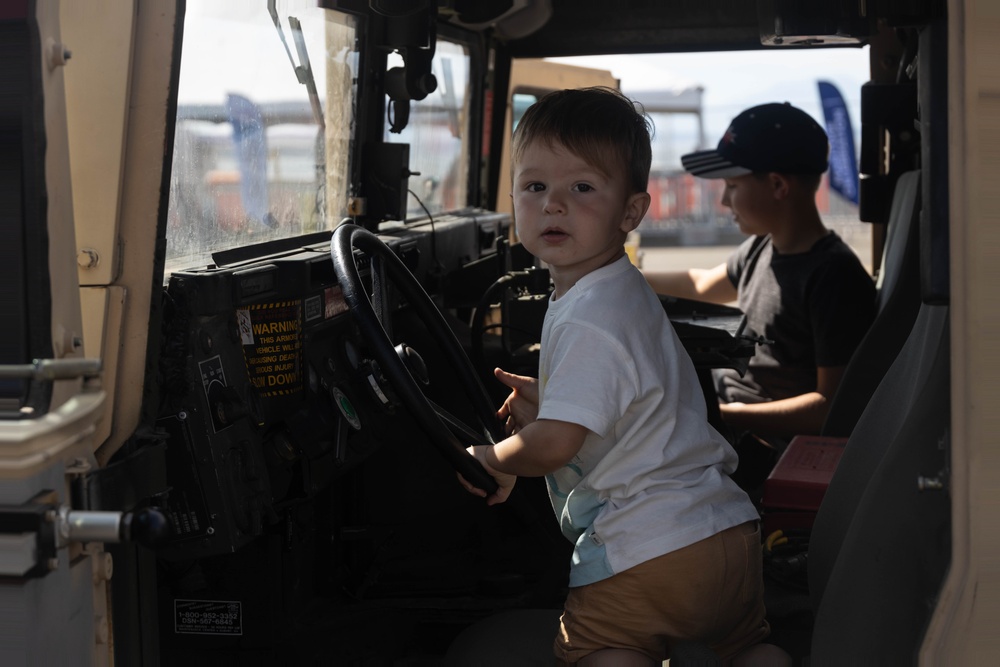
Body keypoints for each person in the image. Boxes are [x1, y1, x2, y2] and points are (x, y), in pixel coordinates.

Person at [456, 87, 770, 666]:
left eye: (581, 187)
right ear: (514, 200)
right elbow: (627, 401)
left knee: (601, 651)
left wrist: (492, 458)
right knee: (740, 651)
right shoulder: (620, 290)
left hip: (647, 551)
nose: (553, 204)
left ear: (630, 212)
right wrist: (555, 400)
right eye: (535, 187)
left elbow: (554, 444)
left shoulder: (587, 319)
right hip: (726, 538)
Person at [644, 102, 876, 441]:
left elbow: (832, 405)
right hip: (729, 409)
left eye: (733, 187)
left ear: (779, 185)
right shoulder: (762, 247)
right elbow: (701, 284)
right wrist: (616, 276)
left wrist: (718, 417)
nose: (724, 201)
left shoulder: (833, 278)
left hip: (762, 442)